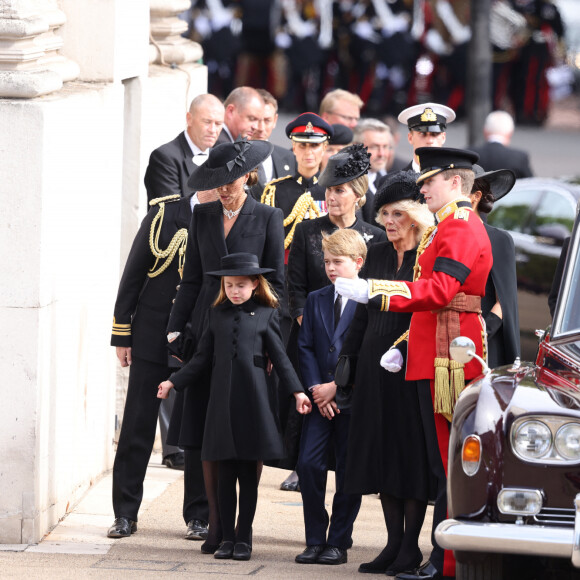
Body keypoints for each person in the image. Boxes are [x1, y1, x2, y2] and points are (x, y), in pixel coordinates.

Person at [337, 147, 493, 580]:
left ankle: (444, 563)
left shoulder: (459, 225)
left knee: (449, 466)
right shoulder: (446, 225)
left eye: (430, 181)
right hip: (434, 346)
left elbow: (440, 290)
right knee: (438, 461)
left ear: (455, 183)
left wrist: (375, 292)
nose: (423, 187)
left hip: (449, 351)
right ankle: (436, 559)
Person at [165, 139, 285, 552]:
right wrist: (175, 327)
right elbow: (193, 279)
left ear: (247, 175)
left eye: (231, 181)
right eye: (218, 183)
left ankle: (242, 531)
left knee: (245, 433)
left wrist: (270, 342)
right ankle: (212, 524)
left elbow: (277, 286)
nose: (225, 189)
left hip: (250, 334)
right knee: (203, 432)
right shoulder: (204, 217)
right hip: (206, 330)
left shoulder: (269, 216)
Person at [158, 253, 312, 562]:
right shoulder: (216, 315)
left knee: (247, 474)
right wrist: (175, 382)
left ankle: (244, 537)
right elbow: (201, 358)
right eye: (229, 285)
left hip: (254, 403)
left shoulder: (268, 315)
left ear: (255, 284)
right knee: (225, 475)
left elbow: (281, 359)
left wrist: (298, 392)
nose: (235, 291)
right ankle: (226, 537)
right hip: (221, 404)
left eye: (241, 285)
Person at [337, 171, 435, 575]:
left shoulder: (425, 256)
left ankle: (410, 548)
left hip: (409, 366)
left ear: (414, 216)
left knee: (407, 459)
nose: (389, 221)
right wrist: (349, 360)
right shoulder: (377, 250)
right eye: (384, 214)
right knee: (380, 458)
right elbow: (362, 309)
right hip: (374, 368)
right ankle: (392, 544)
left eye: (397, 214)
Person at [107, 188, 218, 539]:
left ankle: (199, 516)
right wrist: (122, 333)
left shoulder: (227, 218)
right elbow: (134, 275)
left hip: (198, 337)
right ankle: (125, 513)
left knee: (197, 431)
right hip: (153, 335)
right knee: (138, 426)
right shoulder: (163, 215)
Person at [294, 229, 366, 566]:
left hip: (351, 398)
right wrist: (317, 389)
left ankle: (338, 540)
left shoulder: (369, 299)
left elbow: (366, 351)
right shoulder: (316, 298)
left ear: (358, 262)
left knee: (349, 471)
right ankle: (314, 538)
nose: (331, 268)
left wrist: (337, 387)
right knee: (309, 464)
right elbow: (305, 345)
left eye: (338, 262)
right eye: (326, 262)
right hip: (319, 398)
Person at [470, 165, 520, 368]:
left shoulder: (498, 239)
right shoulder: (438, 235)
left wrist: (481, 332)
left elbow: (504, 300)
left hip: (485, 345)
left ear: (475, 196)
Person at [261, 112, 333, 248]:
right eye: (302, 146)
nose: (308, 152)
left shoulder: (333, 190)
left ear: (324, 148)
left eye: (314, 146)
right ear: (294, 148)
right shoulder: (275, 190)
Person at [144, 93, 225, 203]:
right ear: (189, 119)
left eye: (218, 123)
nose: (213, 130)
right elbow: (170, 210)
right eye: (207, 122)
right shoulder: (164, 157)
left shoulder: (222, 155)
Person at [249, 89, 296, 197]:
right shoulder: (233, 157)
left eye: (267, 120)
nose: (261, 128)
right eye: (255, 119)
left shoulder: (289, 158)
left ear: (275, 120)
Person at [352, 119, 395, 224]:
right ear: (356, 147)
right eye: (374, 147)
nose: (382, 154)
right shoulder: (349, 184)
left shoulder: (387, 180)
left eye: (385, 147)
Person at [469, 111, 534, 179]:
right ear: (510, 133)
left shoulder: (470, 154)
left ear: (485, 131)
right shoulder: (519, 158)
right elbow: (531, 184)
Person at [397, 103, 456, 172]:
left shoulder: (454, 180)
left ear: (443, 138)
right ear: (410, 138)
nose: (429, 140)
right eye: (423, 134)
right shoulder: (393, 181)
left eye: (435, 134)